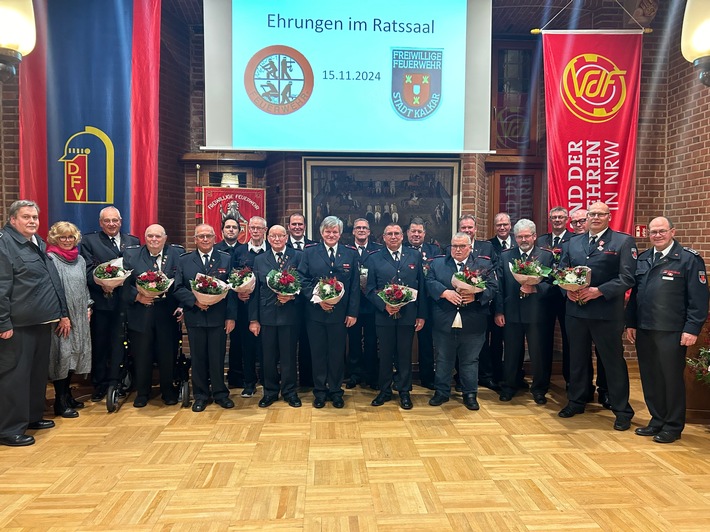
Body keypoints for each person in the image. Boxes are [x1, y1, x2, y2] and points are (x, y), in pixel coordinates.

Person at [626, 217, 709, 443]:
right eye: (653, 232)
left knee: (670, 378)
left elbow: (699, 299)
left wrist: (692, 329)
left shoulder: (688, 260)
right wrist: (631, 323)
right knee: (650, 377)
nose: (657, 235)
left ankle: (673, 425)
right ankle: (657, 419)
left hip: (672, 331)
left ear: (672, 231)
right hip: (645, 328)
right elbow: (635, 296)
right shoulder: (643, 259)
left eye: (662, 231)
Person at [558, 201, 636, 431]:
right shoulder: (574, 242)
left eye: (600, 214)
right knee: (577, 360)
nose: (595, 218)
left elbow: (627, 278)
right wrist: (566, 290)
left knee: (612, 362)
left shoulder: (622, 241)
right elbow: (561, 271)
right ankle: (577, 400)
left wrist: (599, 291)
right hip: (576, 311)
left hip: (605, 313)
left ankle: (622, 410)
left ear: (609, 216)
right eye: (592, 214)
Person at [0, 200, 69, 446]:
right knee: (14, 377)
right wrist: (3, 324)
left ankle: (31, 417)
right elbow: (1, 287)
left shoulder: (37, 243)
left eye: (35, 217)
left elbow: (51, 280)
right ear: (12, 219)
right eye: (26, 217)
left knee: (36, 375)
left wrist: (62, 312)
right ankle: (9, 429)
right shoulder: (4, 244)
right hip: (17, 326)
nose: (32, 221)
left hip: (41, 322)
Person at [426, 232, 498, 410]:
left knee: (470, 360)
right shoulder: (438, 263)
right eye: (454, 246)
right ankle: (441, 392)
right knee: (443, 359)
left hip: (473, 321)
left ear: (469, 247)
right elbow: (429, 281)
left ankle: (470, 394)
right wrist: (444, 292)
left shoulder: (483, 264)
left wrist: (477, 296)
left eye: (461, 246)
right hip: (444, 320)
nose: (457, 250)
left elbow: (493, 287)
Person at [297, 216, 359, 409]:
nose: (331, 235)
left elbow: (355, 285)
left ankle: (336, 391)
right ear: (321, 233)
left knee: (336, 354)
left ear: (340, 234)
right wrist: (317, 299)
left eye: (335, 232)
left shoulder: (350, 253)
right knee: (318, 354)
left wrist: (352, 313)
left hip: (340, 315)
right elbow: (302, 278)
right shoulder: (310, 253)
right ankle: (320, 392)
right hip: (315, 313)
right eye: (327, 231)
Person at [174, 224, 237, 412]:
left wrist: (231, 317)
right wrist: (195, 301)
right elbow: (177, 287)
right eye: (201, 236)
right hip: (195, 317)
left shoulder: (225, 258)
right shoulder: (185, 260)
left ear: (214, 238)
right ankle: (200, 395)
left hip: (218, 318)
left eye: (208, 236)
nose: (205, 239)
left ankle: (220, 394)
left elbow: (232, 290)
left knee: (217, 357)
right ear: (195, 239)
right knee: (198, 357)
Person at [80, 206, 139, 401]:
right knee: (101, 344)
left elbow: (138, 271)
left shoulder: (133, 241)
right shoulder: (89, 241)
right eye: (107, 221)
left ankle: (119, 381)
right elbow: (87, 271)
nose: (111, 224)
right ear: (101, 223)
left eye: (115, 220)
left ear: (121, 221)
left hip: (129, 303)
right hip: (103, 303)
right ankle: (100, 384)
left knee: (122, 344)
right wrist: (102, 285)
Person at [122, 224, 184, 407]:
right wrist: (138, 296)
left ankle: (167, 390)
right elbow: (124, 285)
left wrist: (182, 306)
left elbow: (183, 283)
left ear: (165, 238)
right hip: (141, 313)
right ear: (145, 238)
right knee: (142, 354)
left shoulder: (177, 255)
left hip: (167, 314)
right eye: (150, 236)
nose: (154, 240)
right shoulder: (131, 256)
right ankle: (143, 392)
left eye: (158, 236)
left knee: (167, 354)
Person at [366, 224, 426, 409]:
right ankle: (384, 391)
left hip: (408, 315)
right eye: (389, 234)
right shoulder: (374, 258)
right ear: (383, 237)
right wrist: (384, 305)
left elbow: (422, 287)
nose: (393, 237)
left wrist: (421, 315)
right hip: (384, 316)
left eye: (397, 234)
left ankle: (404, 391)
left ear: (403, 236)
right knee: (384, 355)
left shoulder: (414, 255)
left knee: (404, 355)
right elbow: (369, 289)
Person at [495, 219, 555, 404]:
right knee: (512, 352)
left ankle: (539, 389)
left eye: (527, 236)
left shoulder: (546, 256)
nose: (523, 239)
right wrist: (499, 311)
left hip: (537, 313)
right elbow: (499, 287)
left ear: (534, 236)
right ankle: (509, 386)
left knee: (538, 353)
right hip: (512, 312)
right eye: (519, 236)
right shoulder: (505, 256)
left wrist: (536, 289)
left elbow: (553, 284)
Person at [248, 225, 303, 408]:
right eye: (273, 236)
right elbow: (254, 292)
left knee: (288, 356)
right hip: (267, 315)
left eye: (280, 235)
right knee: (268, 357)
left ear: (286, 237)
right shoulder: (260, 259)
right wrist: (254, 319)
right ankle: (270, 392)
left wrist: (292, 295)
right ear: (268, 238)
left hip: (290, 315)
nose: (277, 239)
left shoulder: (298, 256)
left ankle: (289, 392)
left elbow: (303, 285)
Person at [46, 221, 92, 418]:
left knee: (76, 353)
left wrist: (89, 306)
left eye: (70, 237)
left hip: (80, 314)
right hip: (63, 317)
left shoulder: (80, 260)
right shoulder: (50, 259)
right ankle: (60, 401)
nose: (67, 241)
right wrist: (62, 316)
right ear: (55, 239)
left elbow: (84, 286)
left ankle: (68, 395)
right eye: (62, 237)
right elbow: (51, 290)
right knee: (62, 357)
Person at [456, 214, 501, 392]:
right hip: (460, 305)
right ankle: (461, 378)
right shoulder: (452, 247)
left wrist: (481, 295)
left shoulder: (487, 247)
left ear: (476, 229)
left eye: (470, 227)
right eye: (464, 227)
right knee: (460, 344)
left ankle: (485, 376)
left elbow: (495, 273)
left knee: (482, 344)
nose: (467, 230)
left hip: (482, 304)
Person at [231, 216, 270, 397]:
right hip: (245, 307)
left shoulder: (271, 250)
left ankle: (266, 379)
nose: (255, 231)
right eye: (252, 228)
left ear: (265, 230)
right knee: (247, 347)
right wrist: (238, 291)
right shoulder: (239, 252)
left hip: (267, 307)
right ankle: (249, 383)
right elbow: (231, 279)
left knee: (266, 346)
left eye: (259, 228)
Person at [536, 206, 573, 393]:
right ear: (550, 219)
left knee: (569, 340)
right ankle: (543, 380)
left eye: (560, 217)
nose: (557, 220)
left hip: (567, 296)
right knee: (544, 339)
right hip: (545, 296)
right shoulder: (541, 240)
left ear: (567, 219)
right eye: (554, 217)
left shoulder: (575, 240)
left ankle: (569, 380)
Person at [405, 217, 441, 389]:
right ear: (407, 233)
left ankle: (428, 377)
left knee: (427, 342)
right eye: (413, 231)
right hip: (406, 303)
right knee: (403, 343)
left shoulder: (434, 251)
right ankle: (402, 377)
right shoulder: (401, 250)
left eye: (419, 231)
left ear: (424, 234)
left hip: (429, 303)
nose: (416, 234)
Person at [346, 218, 382, 389]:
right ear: (353, 231)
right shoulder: (346, 249)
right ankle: (354, 374)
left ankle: (371, 375)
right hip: (352, 304)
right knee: (353, 341)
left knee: (371, 340)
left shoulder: (378, 250)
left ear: (369, 232)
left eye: (364, 228)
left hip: (371, 304)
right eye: (357, 227)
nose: (361, 230)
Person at [286, 212, 315, 387]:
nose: (297, 227)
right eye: (294, 224)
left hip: (309, 305)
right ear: (288, 226)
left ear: (305, 226)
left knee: (308, 343)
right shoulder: (281, 244)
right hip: (289, 305)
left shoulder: (314, 246)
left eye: (300, 224)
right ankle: (288, 381)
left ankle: (307, 381)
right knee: (288, 345)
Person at [217, 216, 243, 389]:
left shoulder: (244, 250)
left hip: (241, 303)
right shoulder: (215, 249)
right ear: (222, 231)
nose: (231, 230)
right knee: (217, 343)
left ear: (240, 231)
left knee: (238, 342)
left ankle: (236, 377)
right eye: (228, 227)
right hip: (218, 302)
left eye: (234, 227)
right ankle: (217, 377)